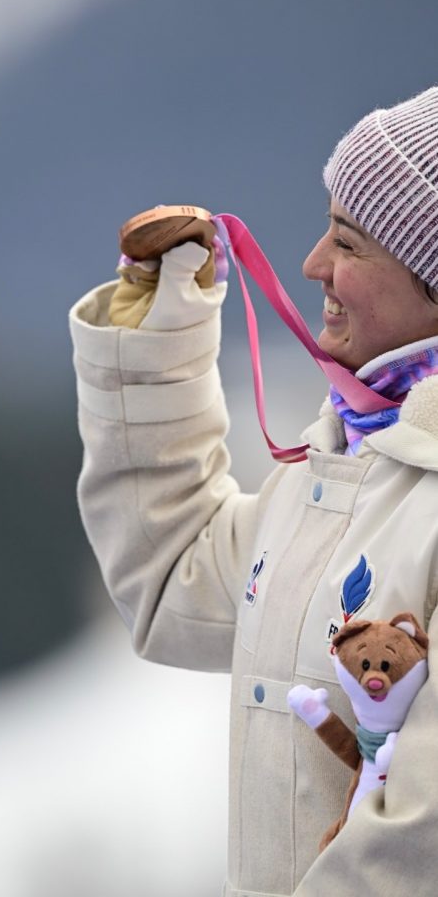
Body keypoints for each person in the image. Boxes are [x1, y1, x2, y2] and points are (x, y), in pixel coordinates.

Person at [69, 86, 438, 896]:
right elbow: (172, 585)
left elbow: (419, 836)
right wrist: (159, 321)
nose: (312, 265)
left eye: (349, 242)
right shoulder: (339, 461)